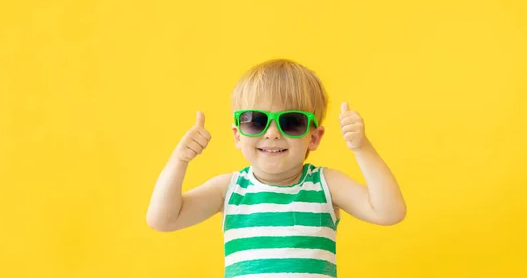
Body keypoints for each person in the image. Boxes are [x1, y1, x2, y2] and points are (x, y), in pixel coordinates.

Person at [146, 58, 406, 277]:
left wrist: (362, 148)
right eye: (256, 121)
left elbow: (389, 212)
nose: (272, 133)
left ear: (313, 137)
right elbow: (163, 219)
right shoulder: (229, 189)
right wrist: (180, 160)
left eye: (291, 122)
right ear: (238, 135)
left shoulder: (326, 184)